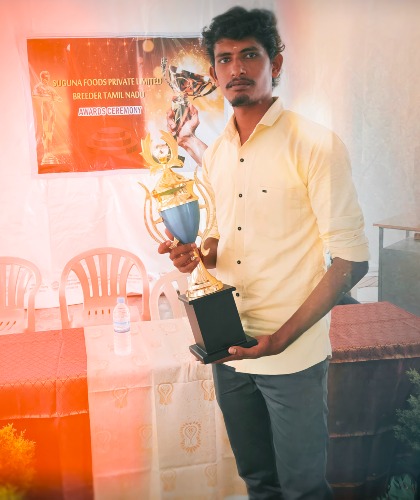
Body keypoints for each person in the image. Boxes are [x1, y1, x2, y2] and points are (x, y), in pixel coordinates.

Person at [160, 6, 370, 499]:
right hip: (229, 349)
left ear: (275, 63)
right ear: (213, 74)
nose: (236, 68)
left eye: (249, 55)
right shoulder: (216, 154)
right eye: (225, 59)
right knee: (258, 481)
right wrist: (196, 255)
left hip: (291, 357)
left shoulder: (315, 145)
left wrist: (280, 339)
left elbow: (352, 260)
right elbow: (219, 242)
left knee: (303, 488)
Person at [32, 70, 62, 164]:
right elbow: (34, 96)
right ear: (41, 78)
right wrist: (47, 98)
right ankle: (46, 153)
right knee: (46, 131)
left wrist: (56, 98)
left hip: (52, 110)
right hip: (44, 111)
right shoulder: (38, 87)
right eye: (45, 78)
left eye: (48, 78)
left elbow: (58, 98)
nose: (47, 80)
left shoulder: (50, 88)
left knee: (51, 131)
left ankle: (49, 152)